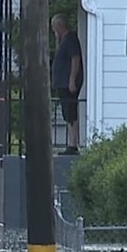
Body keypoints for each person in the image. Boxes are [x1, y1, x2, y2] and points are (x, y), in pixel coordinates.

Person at [50, 13, 83, 155]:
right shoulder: (63, 40)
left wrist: (71, 80)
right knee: (67, 112)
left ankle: (73, 144)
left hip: (67, 83)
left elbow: (75, 59)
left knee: (70, 111)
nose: (53, 30)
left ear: (60, 25)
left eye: (54, 26)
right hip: (62, 83)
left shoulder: (70, 39)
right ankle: (71, 143)